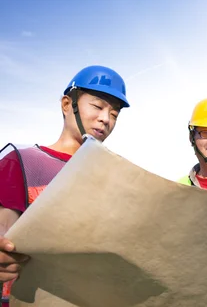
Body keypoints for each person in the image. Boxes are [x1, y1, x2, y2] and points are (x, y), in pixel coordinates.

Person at [0, 65, 130, 306]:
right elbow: (3, 237)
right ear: (67, 104)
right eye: (98, 106)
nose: (105, 119)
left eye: (114, 114)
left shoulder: (113, 177)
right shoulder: (21, 163)